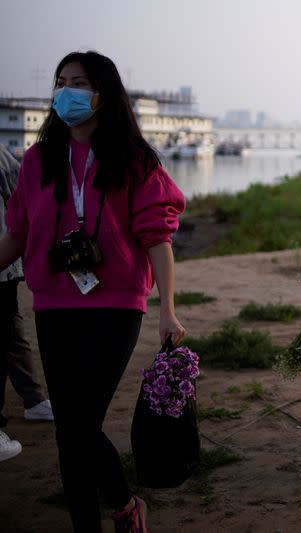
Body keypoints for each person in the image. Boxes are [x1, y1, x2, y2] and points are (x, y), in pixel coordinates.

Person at [0, 51, 186, 533]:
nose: (66, 91)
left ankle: (121, 504)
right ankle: (112, 510)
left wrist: (167, 308)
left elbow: (158, 237)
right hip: (54, 304)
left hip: (117, 304)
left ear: (103, 93)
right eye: (60, 82)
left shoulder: (135, 159)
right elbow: (17, 232)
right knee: (70, 428)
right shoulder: (38, 161)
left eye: (78, 82)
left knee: (80, 424)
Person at [1, 144, 54, 430]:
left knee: (10, 330)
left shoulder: (2, 157)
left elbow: (21, 199)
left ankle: (33, 400)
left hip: (4, 265)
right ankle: (34, 399)